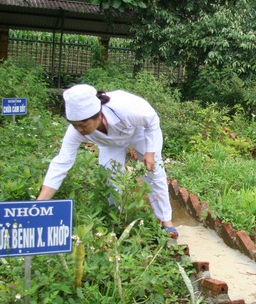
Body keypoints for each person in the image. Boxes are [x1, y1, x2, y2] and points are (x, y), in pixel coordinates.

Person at [37, 84, 177, 238]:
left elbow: (152, 120)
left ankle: (166, 222)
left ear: (99, 115)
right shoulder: (76, 131)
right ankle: (116, 219)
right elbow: (61, 163)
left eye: (83, 125)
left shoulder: (125, 109)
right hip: (110, 144)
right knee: (110, 179)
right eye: (75, 126)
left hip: (140, 133)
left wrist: (151, 152)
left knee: (153, 172)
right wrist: (41, 203)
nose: (80, 130)